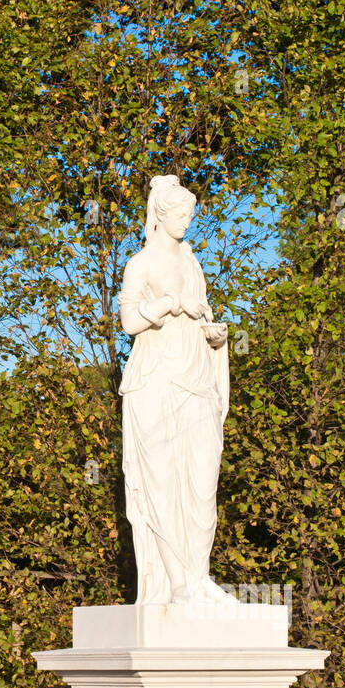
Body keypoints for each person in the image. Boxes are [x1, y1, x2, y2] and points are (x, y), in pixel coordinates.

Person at [118, 174, 231, 606]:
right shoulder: (141, 264)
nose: (186, 222)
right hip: (156, 380)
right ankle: (177, 581)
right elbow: (130, 322)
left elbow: (201, 317)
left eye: (190, 215)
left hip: (197, 376)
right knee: (162, 481)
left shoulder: (191, 261)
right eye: (180, 215)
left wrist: (215, 336)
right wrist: (168, 303)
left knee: (203, 483)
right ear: (161, 215)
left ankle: (199, 577)